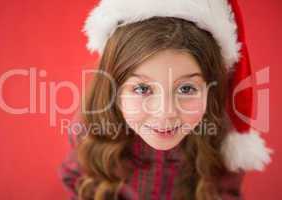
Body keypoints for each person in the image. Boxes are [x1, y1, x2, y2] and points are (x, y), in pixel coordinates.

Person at [58, 0, 272, 199]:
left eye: (186, 88)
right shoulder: (92, 128)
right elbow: (77, 181)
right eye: (142, 89)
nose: (165, 112)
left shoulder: (223, 138)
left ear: (209, 87)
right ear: (114, 87)